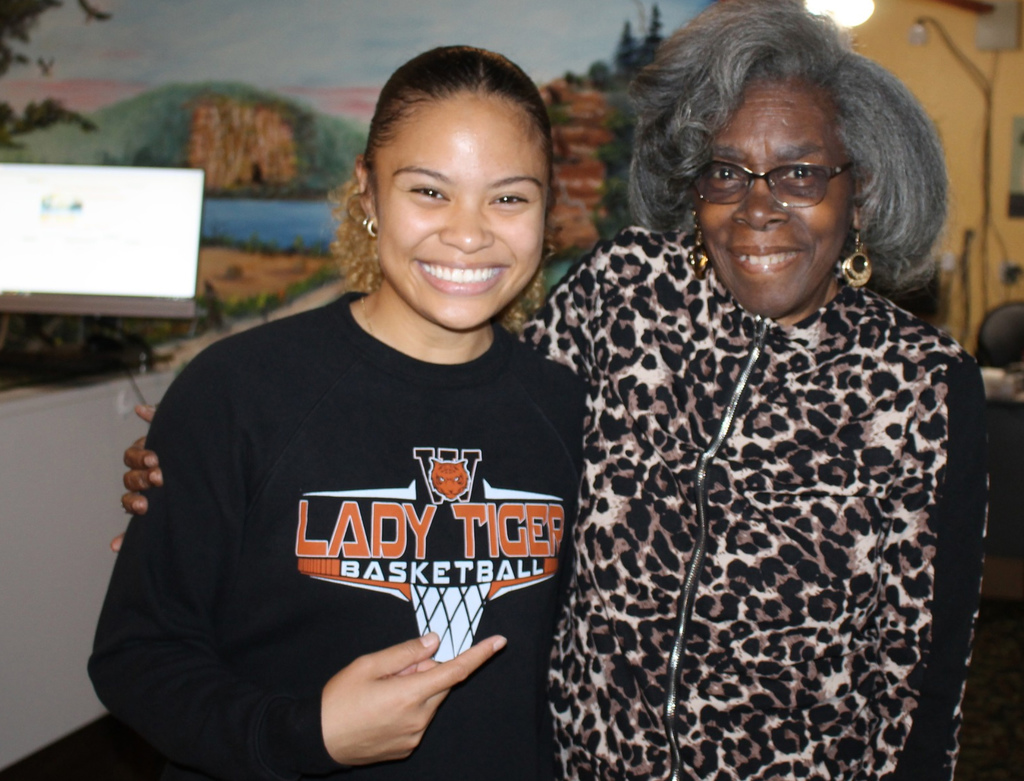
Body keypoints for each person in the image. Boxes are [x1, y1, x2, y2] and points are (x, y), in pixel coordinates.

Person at [120, 2, 988, 779]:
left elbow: (931, 664)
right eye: (726, 171)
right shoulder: (622, 302)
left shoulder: (919, 383)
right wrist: (196, 462)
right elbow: (424, 401)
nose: (759, 206)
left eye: (801, 173)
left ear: (860, 189)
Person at [91, 45, 585, 781]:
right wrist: (307, 733)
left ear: (548, 208)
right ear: (367, 192)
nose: (469, 231)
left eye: (509, 197)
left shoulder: (569, 409)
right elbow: (136, 656)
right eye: (429, 191)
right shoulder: (236, 390)